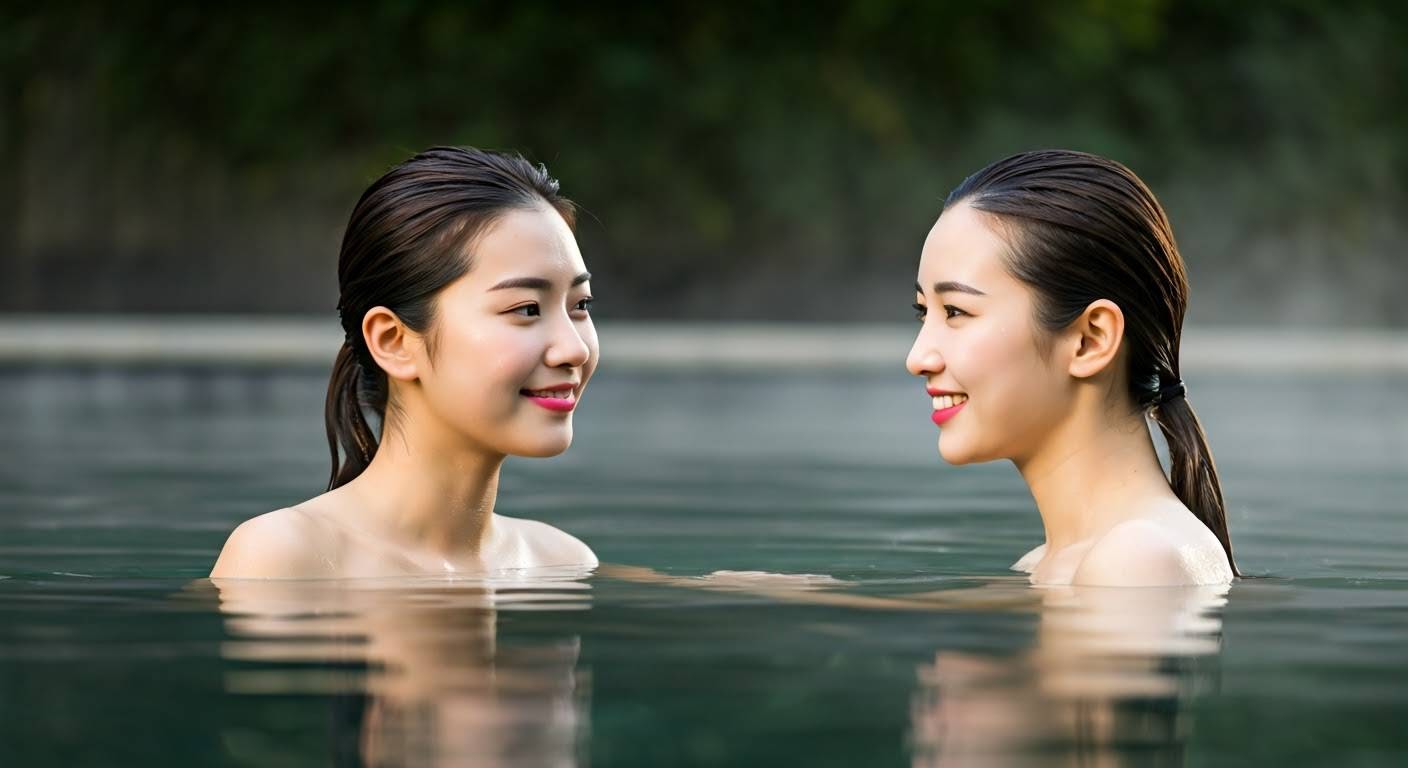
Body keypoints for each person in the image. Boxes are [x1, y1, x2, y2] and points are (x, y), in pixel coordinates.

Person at [211, 146, 598, 578]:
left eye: (580, 305)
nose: (575, 349)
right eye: (527, 309)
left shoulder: (561, 563)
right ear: (394, 341)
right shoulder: (287, 559)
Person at [906, 149, 1237, 587]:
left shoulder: (1136, 560)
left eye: (956, 312)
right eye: (922, 313)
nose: (918, 358)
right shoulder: (1051, 565)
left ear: (1090, 340)